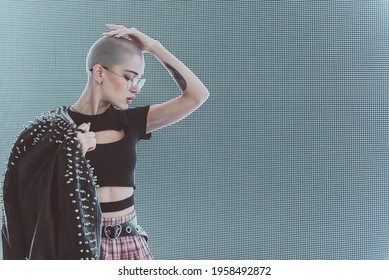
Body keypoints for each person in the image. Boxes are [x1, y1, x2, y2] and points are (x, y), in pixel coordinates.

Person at [1, 24, 209, 260]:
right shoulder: (56, 128)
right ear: (99, 72)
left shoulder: (131, 121)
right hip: (79, 247)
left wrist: (153, 47)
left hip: (131, 244)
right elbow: (25, 194)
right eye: (129, 77)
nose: (135, 89)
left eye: (139, 81)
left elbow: (197, 95)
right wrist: (71, 153)